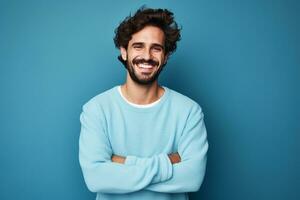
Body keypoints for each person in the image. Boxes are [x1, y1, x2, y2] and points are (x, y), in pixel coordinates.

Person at [79, 6, 208, 200]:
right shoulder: (96, 110)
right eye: (138, 46)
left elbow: (192, 177)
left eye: (156, 48)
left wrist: (122, 162)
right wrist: (168, 162)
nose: (147, 56)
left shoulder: (189, 111)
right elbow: (96, 178)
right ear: (124, 52)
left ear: (165, 57)